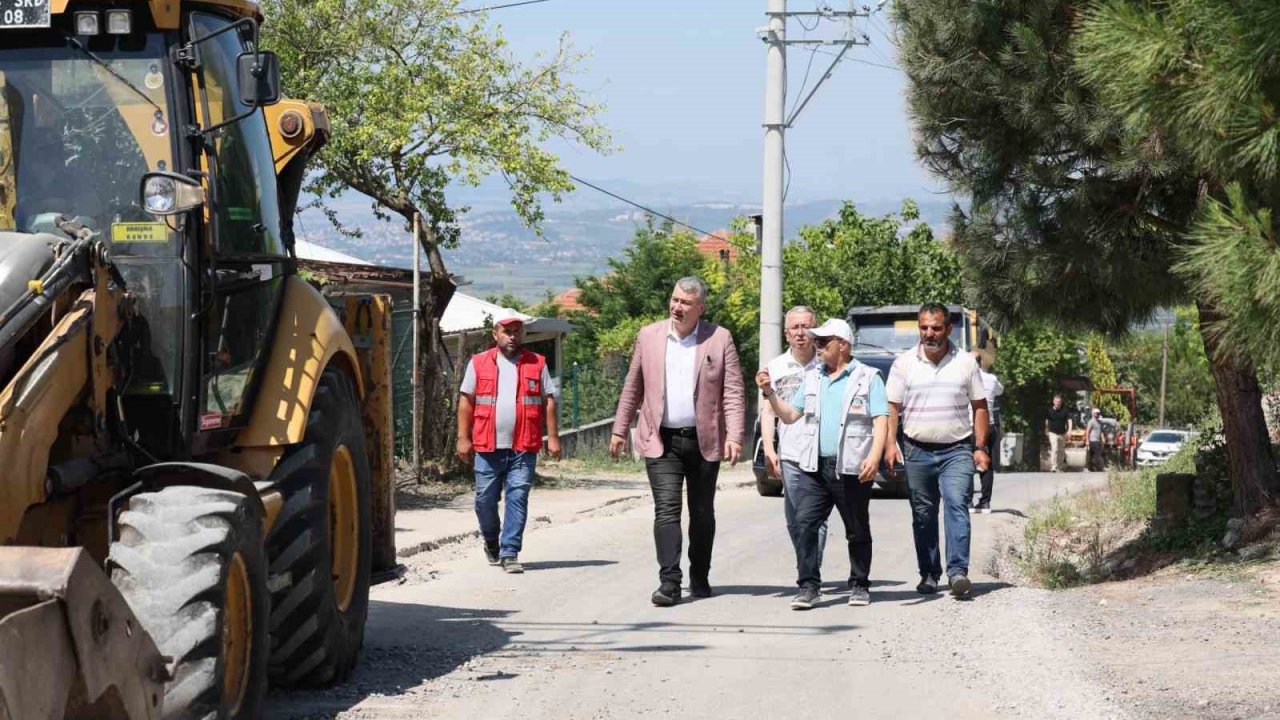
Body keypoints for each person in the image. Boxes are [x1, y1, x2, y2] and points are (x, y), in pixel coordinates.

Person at [610, 277, 746, 606]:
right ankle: (669, 582)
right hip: (662, 440)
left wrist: (736, 437)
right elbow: (633, 385)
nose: (677, 307)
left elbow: (733, 391)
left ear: (701, 307)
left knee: (702, 513)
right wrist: (619, 429)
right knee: (666, 510)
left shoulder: (720, 338)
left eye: (685, 303)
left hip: (704, 440)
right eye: (674, 300)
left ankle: (700, 574)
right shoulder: (649, 336)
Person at [756, 318, 889, 610]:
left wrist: (875, 455)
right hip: (813, 467)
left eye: (822, 342)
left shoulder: (868, 377)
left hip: (850, 467)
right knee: (805, 524)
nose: (817, 347)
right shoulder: (813, 377)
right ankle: (808, 587)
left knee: (856, 528)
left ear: (842, 344)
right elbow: (790, 415)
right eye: (815, 342)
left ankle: (859, 585)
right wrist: (770, 394)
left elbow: (881, 418)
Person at [883, 304, 990, 598]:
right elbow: (892, 407)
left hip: (956, 449)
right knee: (923, 513)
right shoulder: (903, 364)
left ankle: (957, 572)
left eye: (936, 328)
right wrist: (890, 444)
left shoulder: (966, 363)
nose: (929, 333)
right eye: (924, 327)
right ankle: (929, 573)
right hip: (917, 450)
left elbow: (980, 407)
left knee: (957, 503)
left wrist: (980, 447)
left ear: (948, 329)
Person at [456, 309, 561, 574]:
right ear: (496, 334)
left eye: (517, 331)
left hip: (523, 446)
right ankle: (491, 539)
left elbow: (549, 400)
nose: (512, 336)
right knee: (484, 499)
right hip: (487, 445)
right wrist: (462, 438)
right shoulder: (479, 362)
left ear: (523, 334)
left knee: (518, 496)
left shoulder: (536, 362)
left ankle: (510, 551)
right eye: (507, 331)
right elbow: (466, 401)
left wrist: (553, 438)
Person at [761, 306, 829, 571]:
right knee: (794, 518)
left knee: (814, 517)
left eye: (805, 327)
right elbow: (768, 412)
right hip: (790, 453)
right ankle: (807, 564)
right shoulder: (776, 367)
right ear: (786, 333)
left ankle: (810, 570)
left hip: (821, 452)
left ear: (815, 330)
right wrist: (769, 448)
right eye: (795, 328)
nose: (800, 333)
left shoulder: (827, 364)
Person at [971, 352, 1004, 513]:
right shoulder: (991, 379)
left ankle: (968, 502)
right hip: (990, 425)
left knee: (966, 464)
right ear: (980, 362)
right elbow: (1000, 391)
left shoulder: (964, 379)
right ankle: (985, 503)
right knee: (987, 464)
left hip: (971, 426)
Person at [1045, 394, 1073, 472]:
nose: (1057, 403)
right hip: (1052, 432)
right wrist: (1046, 429)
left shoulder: (1065, 411)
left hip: (1062, 433)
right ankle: (1054, 466)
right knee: (1055, 448)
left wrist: (1070, 430)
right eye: (1056, 401)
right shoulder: (1049, 410)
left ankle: (1060, 466)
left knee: (1061, 450)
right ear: (1053, 402)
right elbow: (1046, 420)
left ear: (1061, 402)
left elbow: (1069, 420)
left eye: (1059, 402)